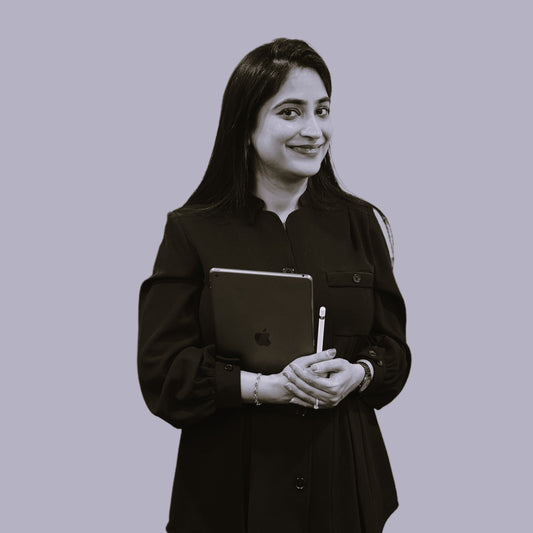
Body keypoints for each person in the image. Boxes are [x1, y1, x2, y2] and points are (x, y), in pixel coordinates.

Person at [138, 38, 411, 533]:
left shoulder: (361, 223)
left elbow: (393, 347)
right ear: (245, 126)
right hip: (227, 494)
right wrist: (265, 389)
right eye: (290, 112)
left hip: (343, 487)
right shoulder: (191, 230)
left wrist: (359, 373)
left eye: (322, 110)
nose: (314, 130)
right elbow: (163, 373)